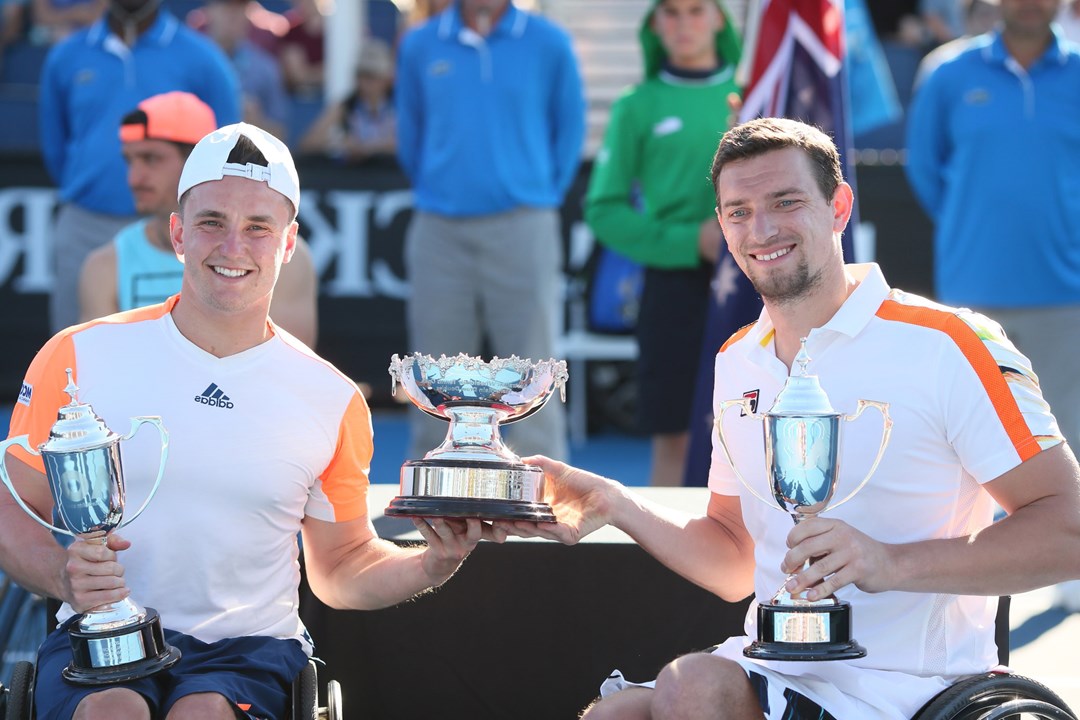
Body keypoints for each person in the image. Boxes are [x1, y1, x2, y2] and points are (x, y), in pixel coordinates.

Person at [499, 117, 1080, 718]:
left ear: (839, 207)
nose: (762, 229)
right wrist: (616, 502)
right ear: (722, 226)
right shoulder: (739, 358)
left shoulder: (951, 342)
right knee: (611, 715)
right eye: (738, 211)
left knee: (690, 685)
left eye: (785, 202)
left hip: (918, 684)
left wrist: (890, 563)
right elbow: (734, 561)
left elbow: (1070, 528)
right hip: (775, 665)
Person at [0, 122, 502, 720]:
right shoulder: (78, 355)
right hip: (97, 639)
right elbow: (12, 505)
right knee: (114, 713)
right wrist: (65, 575)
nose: (233, 247)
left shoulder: (332, 397)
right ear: (178, 233)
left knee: (204, 714)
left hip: (249, 651)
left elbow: (340, 568)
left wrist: (432, 561)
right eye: (212, 221)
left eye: (258, 227)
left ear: (288, 244)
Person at [906, 0, 1080, 614]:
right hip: (971, 292)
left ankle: (1067, 571)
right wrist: (972, 228)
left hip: (1068, 293)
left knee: (1068, 435)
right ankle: (974, 579)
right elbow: (926, 171)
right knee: (967, 449)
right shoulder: (947, 74)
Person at [395, 0, 586, 461]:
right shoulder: (420, 43)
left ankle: (542, 489)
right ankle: (432, 491)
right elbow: (410, 133)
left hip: (523, 224)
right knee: (433, 370)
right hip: (439, 228)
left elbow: (570, 131)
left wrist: (534, 191)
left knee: (532, 365)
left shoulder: (549, 43)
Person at [584, 0, 740, 487]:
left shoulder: (754, 91)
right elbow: (603, 209)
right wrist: (690, 240)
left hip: (757, 283)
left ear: (719, 18)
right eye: (670, 12)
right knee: (674, 434)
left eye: (697, 10)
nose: (684, 23)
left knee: (758, 431)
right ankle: (664, 563)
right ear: (654, 25)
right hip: (674, 288)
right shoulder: (638, 104)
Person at [38, 0, 241, 334]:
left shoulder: (203, 58)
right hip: (86, 222)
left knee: (193, 347)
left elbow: (226, 146)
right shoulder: (65, 57)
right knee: (77, 359)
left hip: (178, 228)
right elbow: (54, 145)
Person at [77, 91, 319, 348]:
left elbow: (285, 372)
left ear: (195, 160)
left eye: (151, 159)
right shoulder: (105, 265)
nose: (134, 178)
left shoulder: (283, 259)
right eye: (130, 160)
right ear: (177, 232)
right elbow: (94, 373)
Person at [202, 0, 291, 142]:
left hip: (245, 159)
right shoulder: (188, 60)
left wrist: (255, 123)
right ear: (210, 10)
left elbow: (280, 136)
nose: (233, 16)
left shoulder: (265, 67)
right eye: (227, 7)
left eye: (240, 8)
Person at [298, 37, 396, 163]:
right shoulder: (345, 106)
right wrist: (340, 145)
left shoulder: (400, 107)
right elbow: (308, 144)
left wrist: (371, 147)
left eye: (372, 77)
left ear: (387, 79)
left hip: (394, 177)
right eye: (360, 75)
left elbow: (412, 143)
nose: (365, 83)